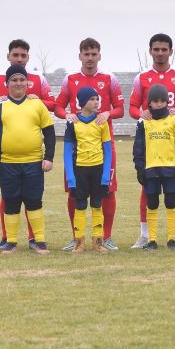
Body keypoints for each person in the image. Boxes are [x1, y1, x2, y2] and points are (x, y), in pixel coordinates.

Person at [0, 38, 57, 249]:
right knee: (11, 200)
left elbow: (49, 132)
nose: (19, 83)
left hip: (33, 162)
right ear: (7, 84)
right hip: (7, 163)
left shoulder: (36, 103)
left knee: (34, 201)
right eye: (14, 80)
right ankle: (10, 242)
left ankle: (38, 241)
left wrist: (48, 157)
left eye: (22, 80)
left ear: (27, 82)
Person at [54, 37, 125, 250]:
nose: (90, 58)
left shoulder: (109, 79)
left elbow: (120, 109)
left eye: (94, 54)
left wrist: (107, 112)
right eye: (86, 54)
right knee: (74, 191)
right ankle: (76, 238)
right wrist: (68, 115)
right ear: (80, 56)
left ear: (99, 56)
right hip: (79, 146)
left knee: (108, 190)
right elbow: (58, 107)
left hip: (104, 143)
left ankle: (106, 236)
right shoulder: (71, 80)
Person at [129, 33, 175, 248]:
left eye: (164, 49)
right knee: (147, 191)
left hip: (171, 145)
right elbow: (132, 108)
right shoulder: (142, 78)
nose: (160, 53)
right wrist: (141, 113)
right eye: (156, 49)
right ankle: (145, 236)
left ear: (171, 51)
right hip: (150, 146)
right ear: (150, 51)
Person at [133, 84, 175, 250]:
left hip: (170, 168)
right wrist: (139, 167)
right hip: (151, 169)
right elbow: (138, 146)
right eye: (155, 101)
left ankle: (172, 239)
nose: (159, 104)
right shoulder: (143, 122)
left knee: (171, 202)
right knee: (153, 203)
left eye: (163, 101)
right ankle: (152, 240)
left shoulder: (174, 120)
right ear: (149, 103)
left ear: (167, 102)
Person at [63, 87, 113, 253]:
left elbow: (107, 150)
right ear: (83, 102)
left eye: (97, 99)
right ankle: (79, 242)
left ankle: (98, 241)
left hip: (98, 169)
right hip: (80, 170)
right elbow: (67, 151)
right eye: (92, 99)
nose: (96, 102)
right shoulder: (73, 123)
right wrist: (70, 176)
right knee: (80, 204)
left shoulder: (101, 122)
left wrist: (106, 174)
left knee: (97, 204)